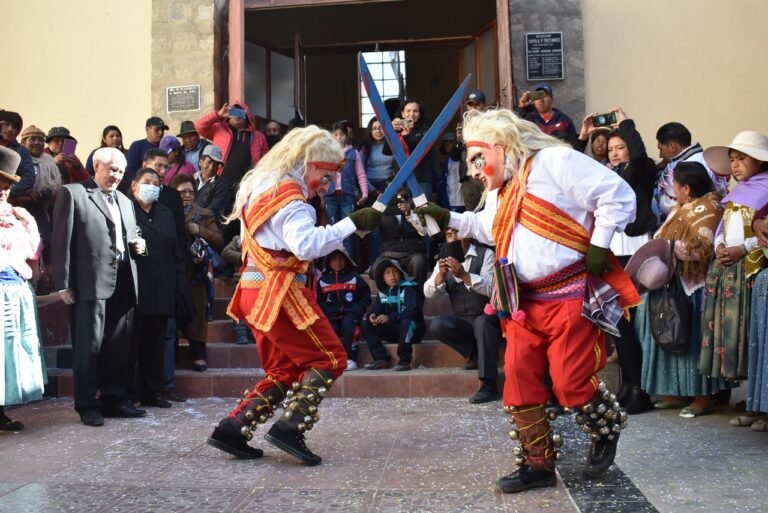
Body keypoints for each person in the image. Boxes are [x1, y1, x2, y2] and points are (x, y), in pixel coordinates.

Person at [417, 108, 638, 493]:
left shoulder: (556, 161)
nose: (473, 170)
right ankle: (537, 465)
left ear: (500, 147)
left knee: (570, 382)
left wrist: (600, 245)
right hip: (521, 301)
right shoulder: (500, 188)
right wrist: (446, 216)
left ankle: (606, 425)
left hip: (569, 293)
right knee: (517, 383)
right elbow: (486, 227)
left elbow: (618, 195)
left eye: (477, 158)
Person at [206, 125, 382, 465]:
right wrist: (351, 223)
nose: (328, 185)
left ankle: (233, 427)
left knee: (283, 371)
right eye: (327, 176)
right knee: (330, 358)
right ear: (310, 163)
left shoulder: (262, 185)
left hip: (255, 291)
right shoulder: (293, 200)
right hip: (281, 294)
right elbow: (306, 245)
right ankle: (289, 428)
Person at [51, 147, 147, 427]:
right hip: (88, 283)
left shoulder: (125, 200)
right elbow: (61, 242)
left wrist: (140, 244)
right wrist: (64, 284)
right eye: (111, 169)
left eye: (120, 171)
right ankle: (87, 405)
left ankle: (114, 400)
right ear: (96, 166)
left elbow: (133, 232)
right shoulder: (74, 193)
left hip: (124, 279)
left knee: (118, 347)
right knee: (88, 348)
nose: (116, 176)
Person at [632, 162, 728, 418]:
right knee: (667, 336)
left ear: (686, 187)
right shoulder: (679, 209)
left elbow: (703, 248)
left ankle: (701, 395)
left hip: (693, 286)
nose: (672, 189)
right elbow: (662, 237)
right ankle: (675, 391)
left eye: (675, 184)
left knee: (692, 340)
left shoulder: (710, 208)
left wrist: (670, 246)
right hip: (670, 282)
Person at [699, 132, 768, 393]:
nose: (735, 165)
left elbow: (762, 234)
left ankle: (758, 396)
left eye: (741, 159)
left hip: (749, 269)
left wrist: (742, 248)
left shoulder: (766, 190)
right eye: (732, 160)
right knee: (731, 332)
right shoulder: (736, 193)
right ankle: (747, 396)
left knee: (751, 331)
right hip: (727, 271)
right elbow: (722, 228)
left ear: (760, 161)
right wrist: (719, 247)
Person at [604, 110, 658, 414]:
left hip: (635, 247)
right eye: (610, 149)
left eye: (619, 147)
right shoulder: (607, 174)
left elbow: (639, 159)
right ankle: (627, 384)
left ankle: (641, 389)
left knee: (632, 323)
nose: (613, 154)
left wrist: (627, 126)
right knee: (617, 322)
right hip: (613, 248)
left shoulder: (642, 170)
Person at [424, 226, 501, 403]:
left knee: (483, 322)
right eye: (449, 235)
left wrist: (465, 276)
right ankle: (474, 353)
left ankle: (489, 385)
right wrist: (440, 277)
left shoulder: (485, 254)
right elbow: (429, 293)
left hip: (487, 316)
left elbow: (492, 289)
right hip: (462, 320)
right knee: (437, 325)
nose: (454, 238)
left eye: (458, 233)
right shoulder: (443, 260)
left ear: (468, 234)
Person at [129, 167, 185, 409]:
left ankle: (153, 392)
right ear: (134, 185)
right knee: (131, 343)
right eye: (147, 181)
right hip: (134, 287)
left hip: (161, 285)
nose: (152, 186)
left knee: (155, 343)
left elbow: (175, 249)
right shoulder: (126, 209)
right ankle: (130, 392)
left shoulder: (165, 212)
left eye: (156, 182)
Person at [0, 146, 45, 431]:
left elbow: (32, 251)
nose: (1, 192)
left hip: (14, 287)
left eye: (5, 187)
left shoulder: (18, 215)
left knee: (8, 351)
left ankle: (0, 409)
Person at [172, 174, 224, 375]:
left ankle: (198, 354)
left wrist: (199, 230)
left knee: (197, 314)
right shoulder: (167, 211)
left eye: (190, 192)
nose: (187, 195)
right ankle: (171, 356)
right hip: (174, 272)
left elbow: (220, 240)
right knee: (174, 314)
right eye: (182, 192)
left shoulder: (204, 213)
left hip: (196, 273)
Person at [655, 121, 729, 219]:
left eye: (661, 149)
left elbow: (673, 203)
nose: (660, 155)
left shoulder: (680, 168)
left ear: (672, 147)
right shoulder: (707, 159)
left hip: (689, 221)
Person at [362, 258, 425, 371]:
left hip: (413, 331)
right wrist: (373, 316)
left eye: (395, 271)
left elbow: (413, 312)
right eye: (388, 273)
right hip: (395, 331)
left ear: (400, 274)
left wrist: (389, 318)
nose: (392, 275)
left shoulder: (409, 288)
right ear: (383, 277)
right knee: (367, 323)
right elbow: (376, 309)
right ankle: (381, 359)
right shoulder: (383, 293)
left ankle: (404, 361)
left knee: (407, 322)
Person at [317, 249, 371, 370]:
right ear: (328, 262)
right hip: (331, 315)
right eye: (334, 259)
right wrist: (326, 311)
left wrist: (358, 309)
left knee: (350, 327)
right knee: (328, 330)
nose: (338, 261)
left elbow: (366, 294)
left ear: (346, 261)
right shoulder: (322, 280)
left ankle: (350, 358)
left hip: (351, 314)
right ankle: (332, 359)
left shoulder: (354, 277)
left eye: (341, 258)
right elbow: (318, 300)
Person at [194, 102, 268, 189]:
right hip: (220, 182)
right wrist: (218, 114)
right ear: (228, 115)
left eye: (241, 113)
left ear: (247, 116)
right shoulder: (218, 129)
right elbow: (199, 127)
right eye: (234, 112)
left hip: (248, 185)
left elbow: (266, 160)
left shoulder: (259, 136)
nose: (237, 115)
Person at [18, 125, 62, 272]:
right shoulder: (19, 158)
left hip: (43, 207)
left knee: (45, 241)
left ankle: (43, 275)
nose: (37, 143)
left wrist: (49, 191)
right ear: (24, 142)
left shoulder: (49, 159)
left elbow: (57, 182)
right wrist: (28, 192)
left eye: (40, 140)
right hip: (20, 206)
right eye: (33, 139)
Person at [326, 120, 369, 257]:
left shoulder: (353, 152)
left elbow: (361, 175)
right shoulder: (326, 153)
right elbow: (321, 176)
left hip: (347, 195)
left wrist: (365, 193)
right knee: (333, 230)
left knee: (348, 231)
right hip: (330, 196)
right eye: (336, 134)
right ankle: (334, 263)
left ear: (347, 136)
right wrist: (321, 196)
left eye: (342, 134)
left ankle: (348, 263)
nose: (339, 137)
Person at [360, 116, 394, 267]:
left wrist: (392, 185)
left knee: (389, 226)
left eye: (380, 128)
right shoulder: (365, 147)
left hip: (390, 186)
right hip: (371, 188)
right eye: (374, 128)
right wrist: (373, 191)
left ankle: (390, 262)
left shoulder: (393, 145)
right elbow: (360, 172)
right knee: (374, 229)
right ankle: (373, 264)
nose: (378, 131)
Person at [375, 189, 429, 284]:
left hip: (412, 252)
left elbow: (424, 231)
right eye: (393, 189)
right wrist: (376, 207)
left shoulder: (417, 207)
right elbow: (365, 230)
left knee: (418, 263)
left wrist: (410, 213)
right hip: (388, 252)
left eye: (400, 189)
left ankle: (417, 295)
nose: (397, 193)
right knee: (376, 267)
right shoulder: (382, 208)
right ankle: (386, 297)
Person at [387, 97, 436, 198]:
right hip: (400, 178)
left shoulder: (427, 130)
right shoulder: (397, 129)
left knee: (422, 211)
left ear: (420, 114)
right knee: (401, 211)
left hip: (421, 179)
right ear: (402, 114)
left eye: (415, 111)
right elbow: (386, 151)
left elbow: (420, 149)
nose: (411, 114)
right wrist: (391, 131)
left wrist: (407, 135)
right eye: (408, 111)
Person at [451, 90, 489, 212]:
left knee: (492, 211)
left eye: (477, 105)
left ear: (483, 105)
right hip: (468, 176)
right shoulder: (462, 125)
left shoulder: (491, 123)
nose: (473, 108)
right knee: (472, 214)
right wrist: (458, 141)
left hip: (487, 173)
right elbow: (455, 156)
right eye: (470, 105)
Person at [0, 110, 35, 200]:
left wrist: (6, 191)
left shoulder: (22, 152)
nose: (10, 129)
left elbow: (29, 178)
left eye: (15, 126)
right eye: (6, 124)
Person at [125, 117, 168, 182]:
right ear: (147, 129)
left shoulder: (165, 147)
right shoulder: (137, 146)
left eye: (162, 130)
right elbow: (131, 170)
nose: (161, 132)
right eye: (157, 129)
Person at [194, 144, 231, 218]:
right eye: (209, 162)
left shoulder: (222, 186)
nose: (211, 167)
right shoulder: (191, 179)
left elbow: (213, 211)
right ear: (200, 162)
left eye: (216, 164)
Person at [436, 133, 465, 212]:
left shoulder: (462, 159)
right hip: (449, 201)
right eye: (446, 144)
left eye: (451, 143)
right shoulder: (444, 163)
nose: (449, 146)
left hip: (462, 201)